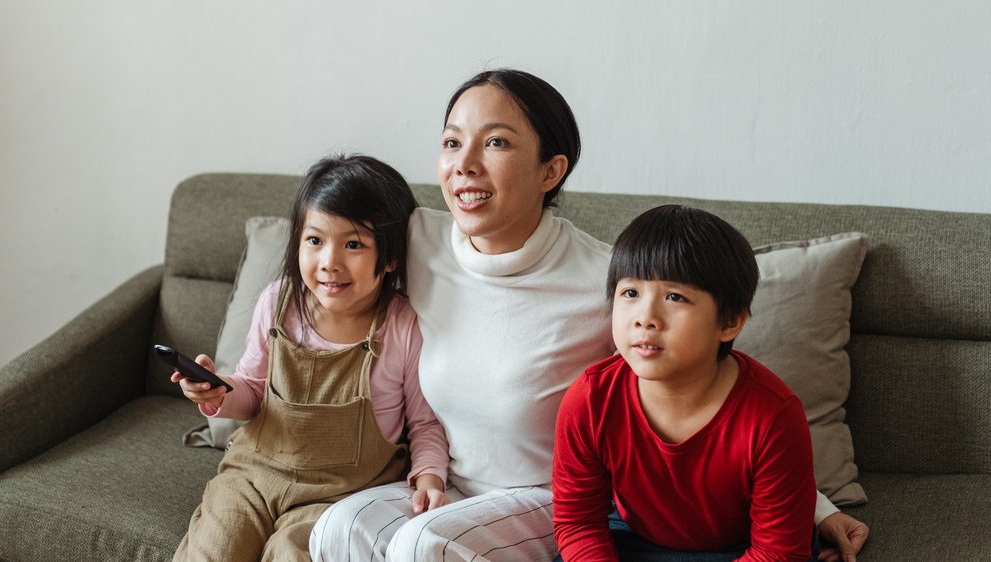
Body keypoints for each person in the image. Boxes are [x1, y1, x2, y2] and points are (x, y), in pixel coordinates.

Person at [309, 69, 869, 562]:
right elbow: (321, 268)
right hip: (444, 481)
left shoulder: (611, 284)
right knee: (340, 527)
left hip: (552, 497)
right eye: (452, 142)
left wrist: (813, 506)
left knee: (423, 546)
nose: (464, 166)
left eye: (496, 142)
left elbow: (704, 382)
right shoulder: (416, 241)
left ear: (551, 171)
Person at [170, 154, 449, 562]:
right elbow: (252, 390)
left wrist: (429, 477)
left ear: (390, 258)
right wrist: (217, 391)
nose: (329, 262)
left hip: (339, 494)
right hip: (253, 476)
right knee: (215, 549)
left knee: (292, 554)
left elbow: (424, 422)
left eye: (353, 244)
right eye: (315, 240)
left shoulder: (402, 326)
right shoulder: (277, 304)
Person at [553, 204, 818, 561]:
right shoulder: (590, 399)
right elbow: (579, 522)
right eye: (630, 293)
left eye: (675, 297)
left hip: (742, 550)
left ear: (730, 322)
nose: (645, 318)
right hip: (634, 540)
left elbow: (777, 551)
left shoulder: (774, 415)